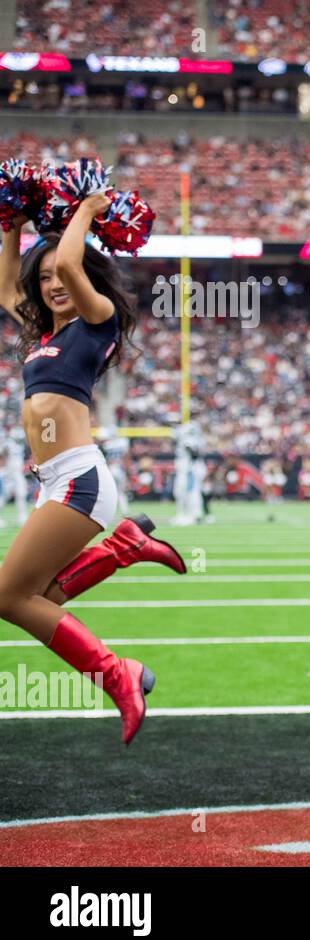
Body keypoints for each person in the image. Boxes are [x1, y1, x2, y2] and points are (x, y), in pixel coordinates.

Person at [0, 202, 186, 745]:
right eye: (45, 277)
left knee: (8, 597)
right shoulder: (42, 334)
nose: (54, 284)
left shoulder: (96, 319)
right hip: (56, 481)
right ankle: (123, 546)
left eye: (61, 274)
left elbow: (76, 268)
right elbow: (8, 287)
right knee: (41, 600)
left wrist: (84, 208)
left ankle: (115, 673)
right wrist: (12, 221)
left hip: (78, 479)